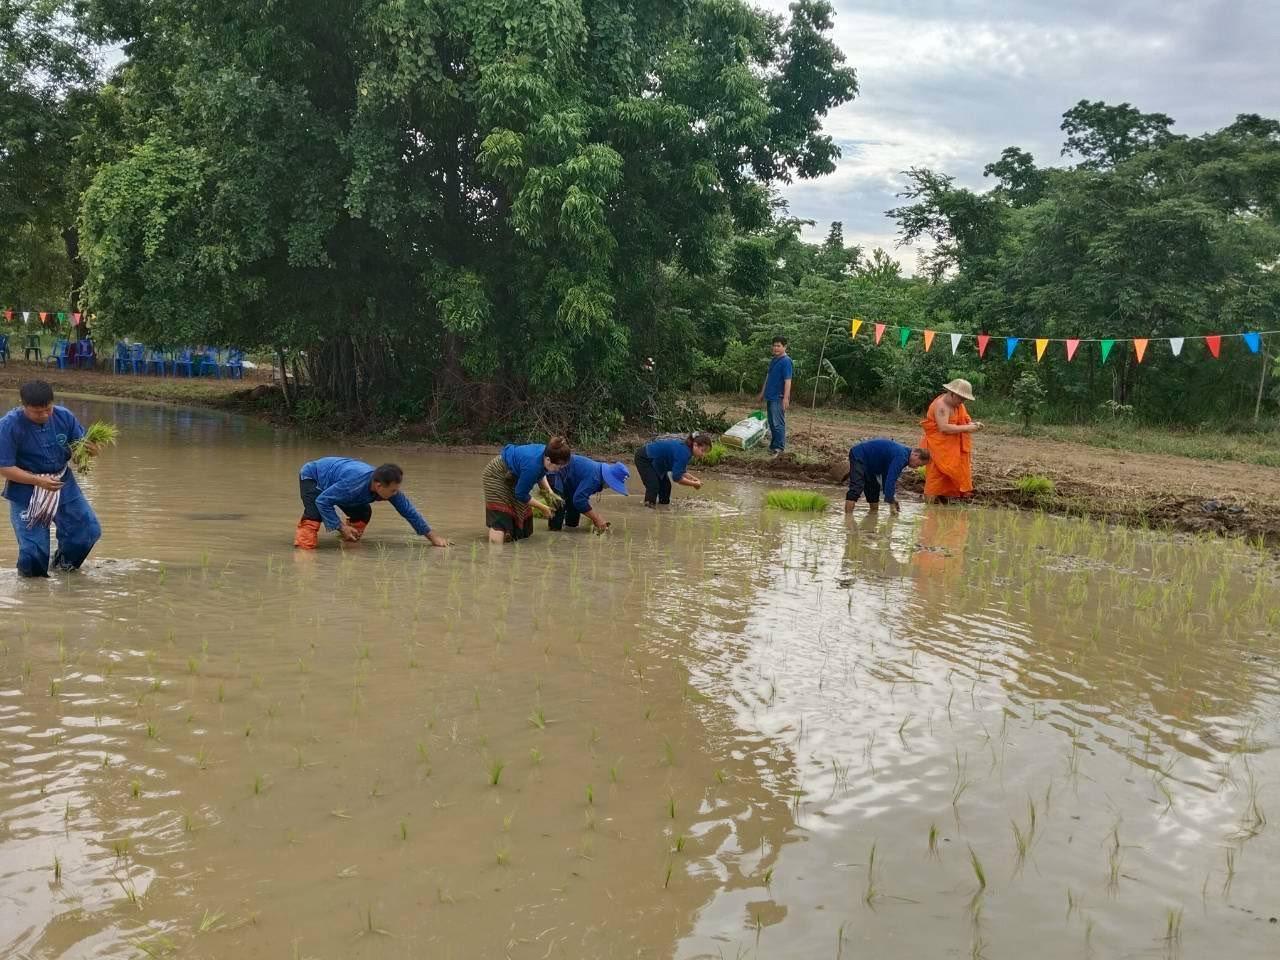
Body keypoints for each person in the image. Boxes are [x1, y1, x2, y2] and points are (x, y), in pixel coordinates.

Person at [0, 380, 103, 577]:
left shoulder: (64, 416)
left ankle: (63, 569)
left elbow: (77, 450)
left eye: (48, 409)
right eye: (38, 412)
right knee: (33, 552)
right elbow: (5, 467)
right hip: (26, 489)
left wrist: (90, 451)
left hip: (62, 483)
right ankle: (33, 593)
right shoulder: (8, 425)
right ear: (24, 406)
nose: (45, 415)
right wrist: (38, 481)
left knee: (87, 531)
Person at [294, 458, 448, 549]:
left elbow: (408, 511)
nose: (396, 493)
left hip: (339, 480)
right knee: (314, 516)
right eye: (393, 490)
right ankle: (303, 551)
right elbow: (322, 501)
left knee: (363, 513)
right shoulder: (353, 484)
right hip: (314, 476)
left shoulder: (384, 485)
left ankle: (349, 540)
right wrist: (341, 527)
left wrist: (434, 538)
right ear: (379, 486)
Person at [483, 437, 572, 543]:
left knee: (522, 513)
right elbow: (521, 494)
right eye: (558, 466)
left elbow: (541, 473)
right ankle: (495, 554)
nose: (559, 469)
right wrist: (543, 508)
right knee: (501, 516)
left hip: (514, 476)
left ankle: (509, 541)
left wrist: (550, 492)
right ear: (548, 460)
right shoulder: (532, 466)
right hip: (496, 475)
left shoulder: (547, 453)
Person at [919, 379, 983, 503]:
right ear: (952, 393)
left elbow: (963, 421)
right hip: (937, 448)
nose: (962, 402)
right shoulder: (941, 406)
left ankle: (945, 502)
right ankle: (929, 509)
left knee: (953, 474)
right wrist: (969, 427)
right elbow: (944, 428)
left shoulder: (959, 405)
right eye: (961, 398)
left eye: (964, 399)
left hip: (953, 449)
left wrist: (974, 424)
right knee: (935, 478)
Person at [844, 439, 930, 515]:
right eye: (918, 464)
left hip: (871, 463)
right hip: (859, 454)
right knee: (856, 487)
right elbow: (891, 479)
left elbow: (887, 475)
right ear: (915, 455)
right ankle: (848, 519)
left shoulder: (904, 456)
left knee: (873, 488)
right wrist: (891, 502)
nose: (916, 467)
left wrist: (891, 498)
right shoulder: (901, 456)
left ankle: (873, 515)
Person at [547, 455, 631, 532]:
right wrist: (597, 518)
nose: (610, 487)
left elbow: (578, 499)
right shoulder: (595, 478)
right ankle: (554, 534)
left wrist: (593, 516)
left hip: (569, 482)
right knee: (558, 510)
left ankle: (569, 531)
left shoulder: (597, 474)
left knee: (573, 520)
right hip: (555, 472)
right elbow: (579, 500)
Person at [634, 432, 714, 507]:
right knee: (653, 486)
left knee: (665, 487)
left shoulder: (686, 450)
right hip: (645, 458)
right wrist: (694, 484)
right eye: (702, 451)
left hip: (657, 463)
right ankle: (648, 511)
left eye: (705, 452)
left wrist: (692, 479)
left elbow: (680, 471)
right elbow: (677, 478)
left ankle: (662, 511)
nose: (703, 455)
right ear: (695, 445)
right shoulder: (684, 453)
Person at [757, 335, 793, 457]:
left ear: (785, 347)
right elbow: (768, 377)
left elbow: (788, 380)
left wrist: (786, 398)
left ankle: (779, 447)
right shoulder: (774, 360)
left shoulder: (786, 361)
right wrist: (762, 392)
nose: (776, 348)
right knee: (772, 423)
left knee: (778, 423)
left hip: (779, 397)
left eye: (779, 346)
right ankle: (773, 445)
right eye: (774, 345)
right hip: (770, 396)